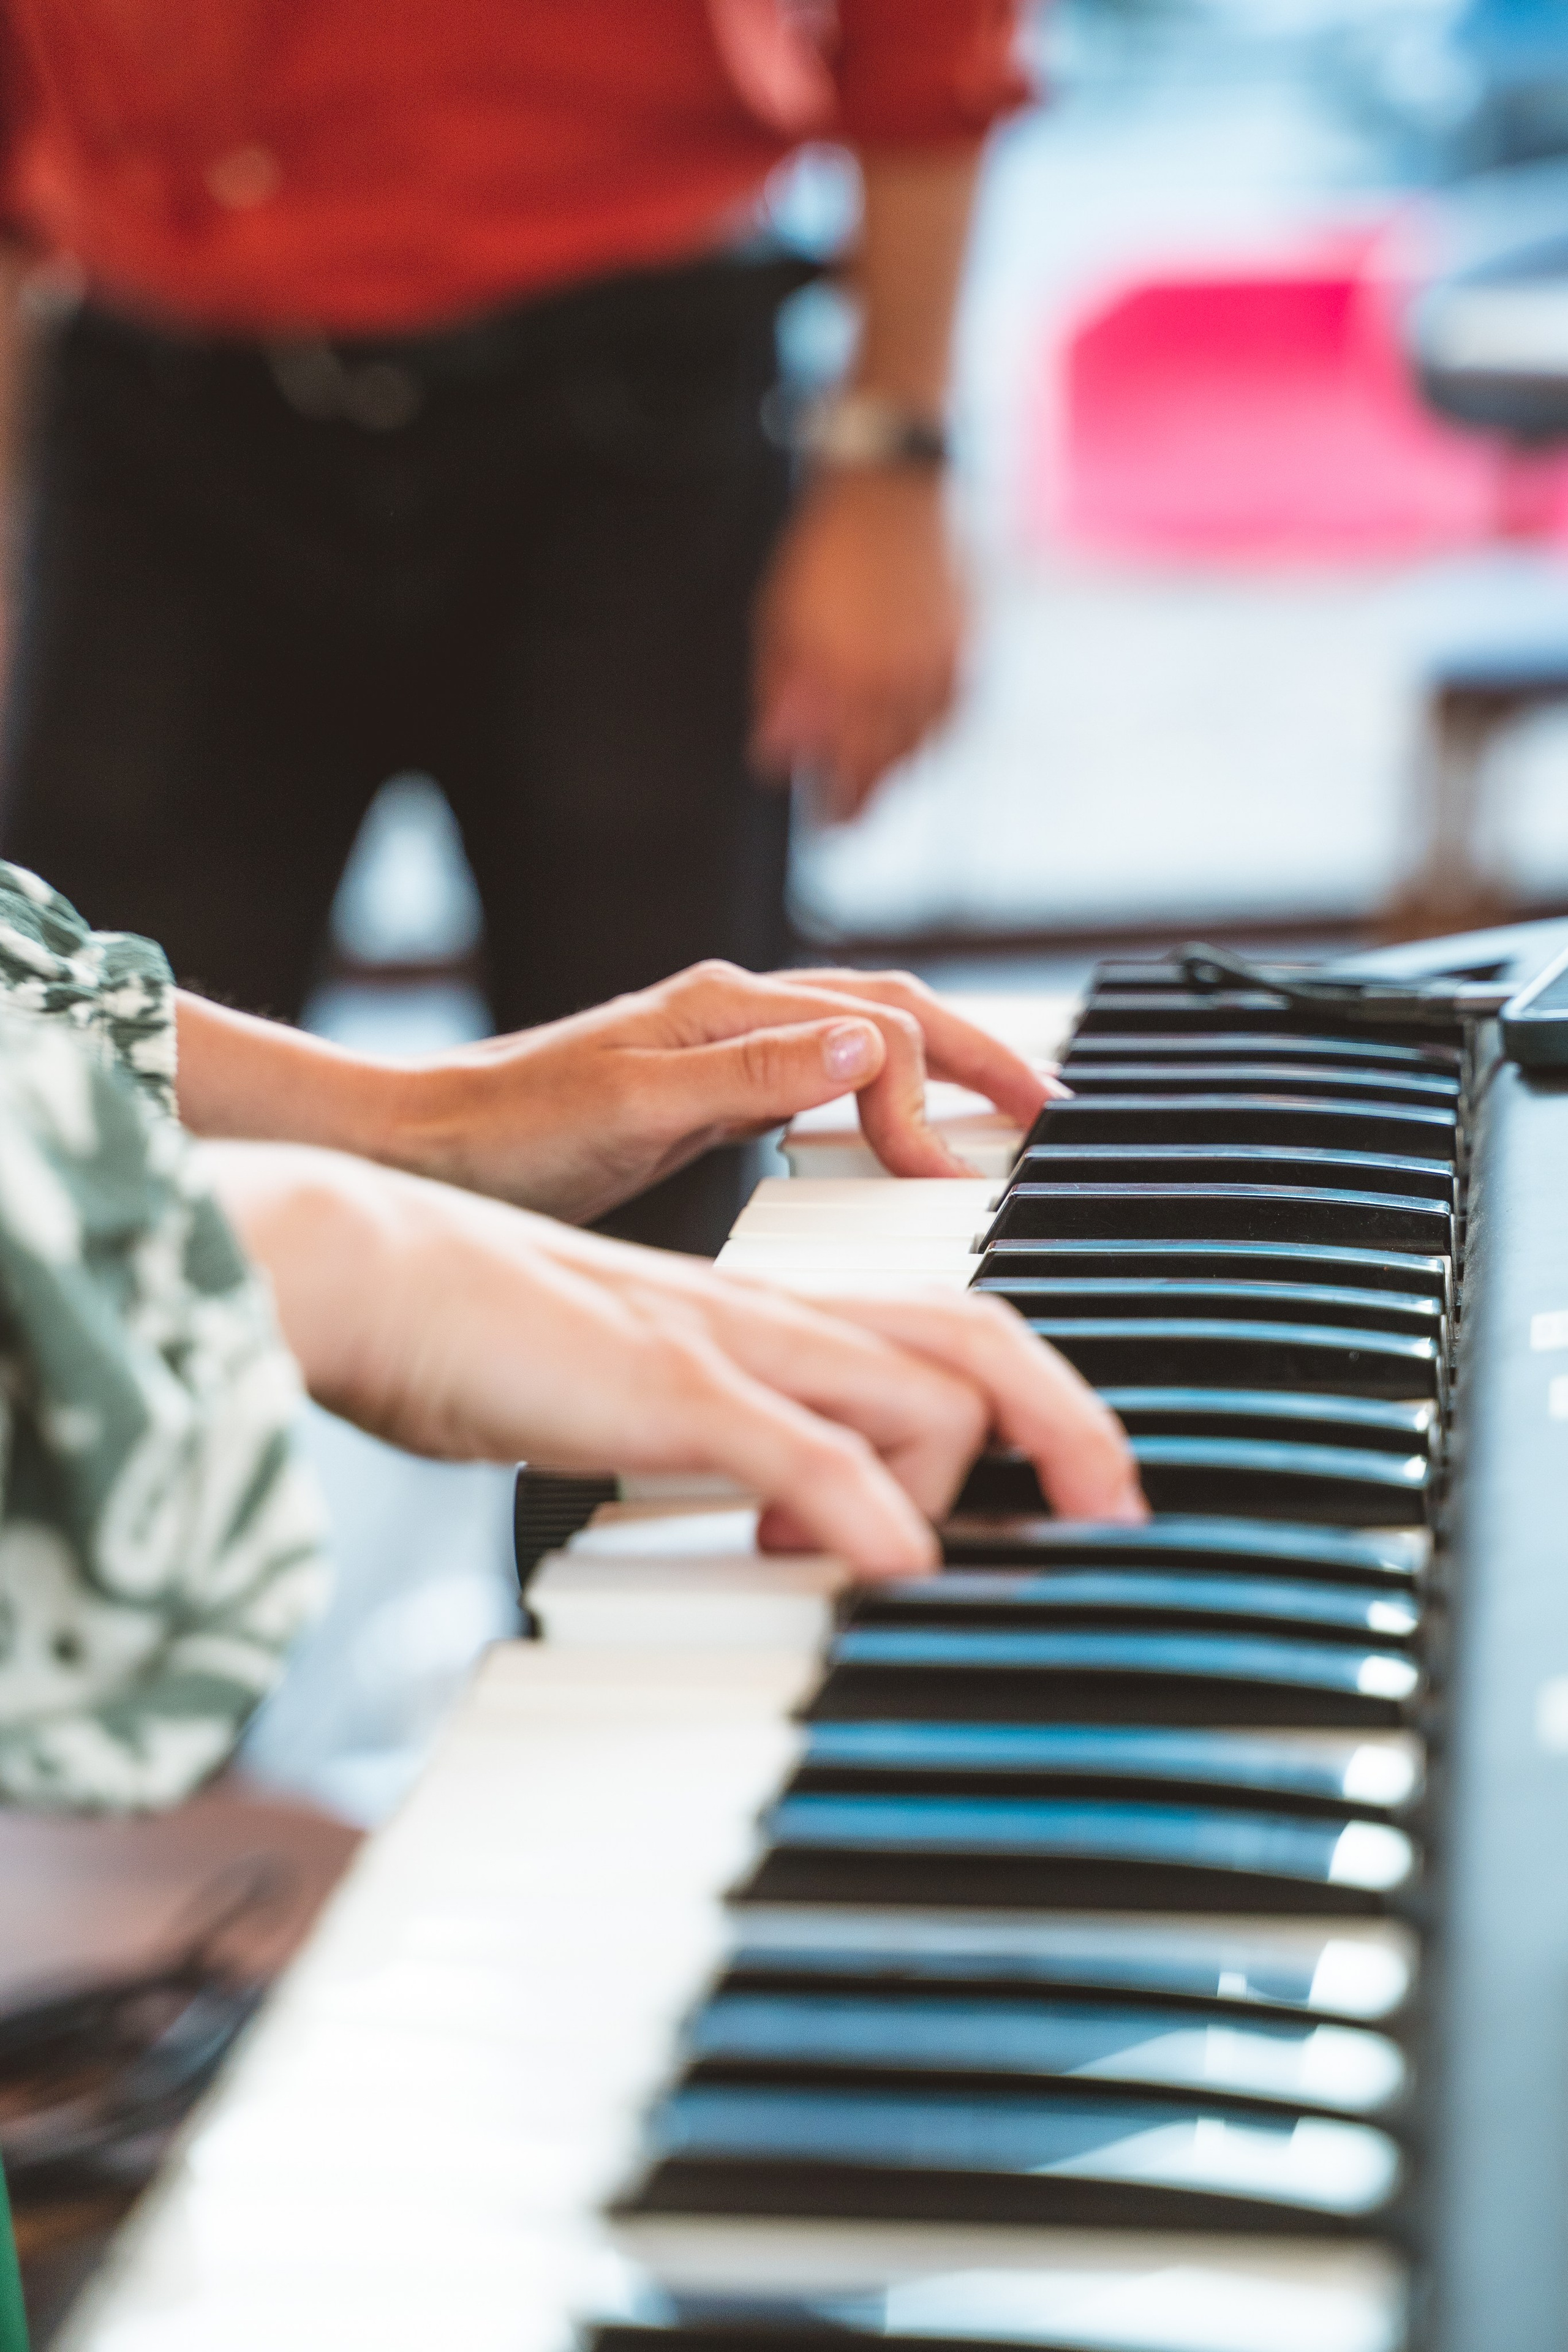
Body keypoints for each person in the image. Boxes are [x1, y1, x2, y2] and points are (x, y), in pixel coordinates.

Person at [0, 0, 1028, 1254]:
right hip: (159, 396)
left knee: (670, 1177)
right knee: (77, 1174)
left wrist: (894, 450)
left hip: (627, 408)